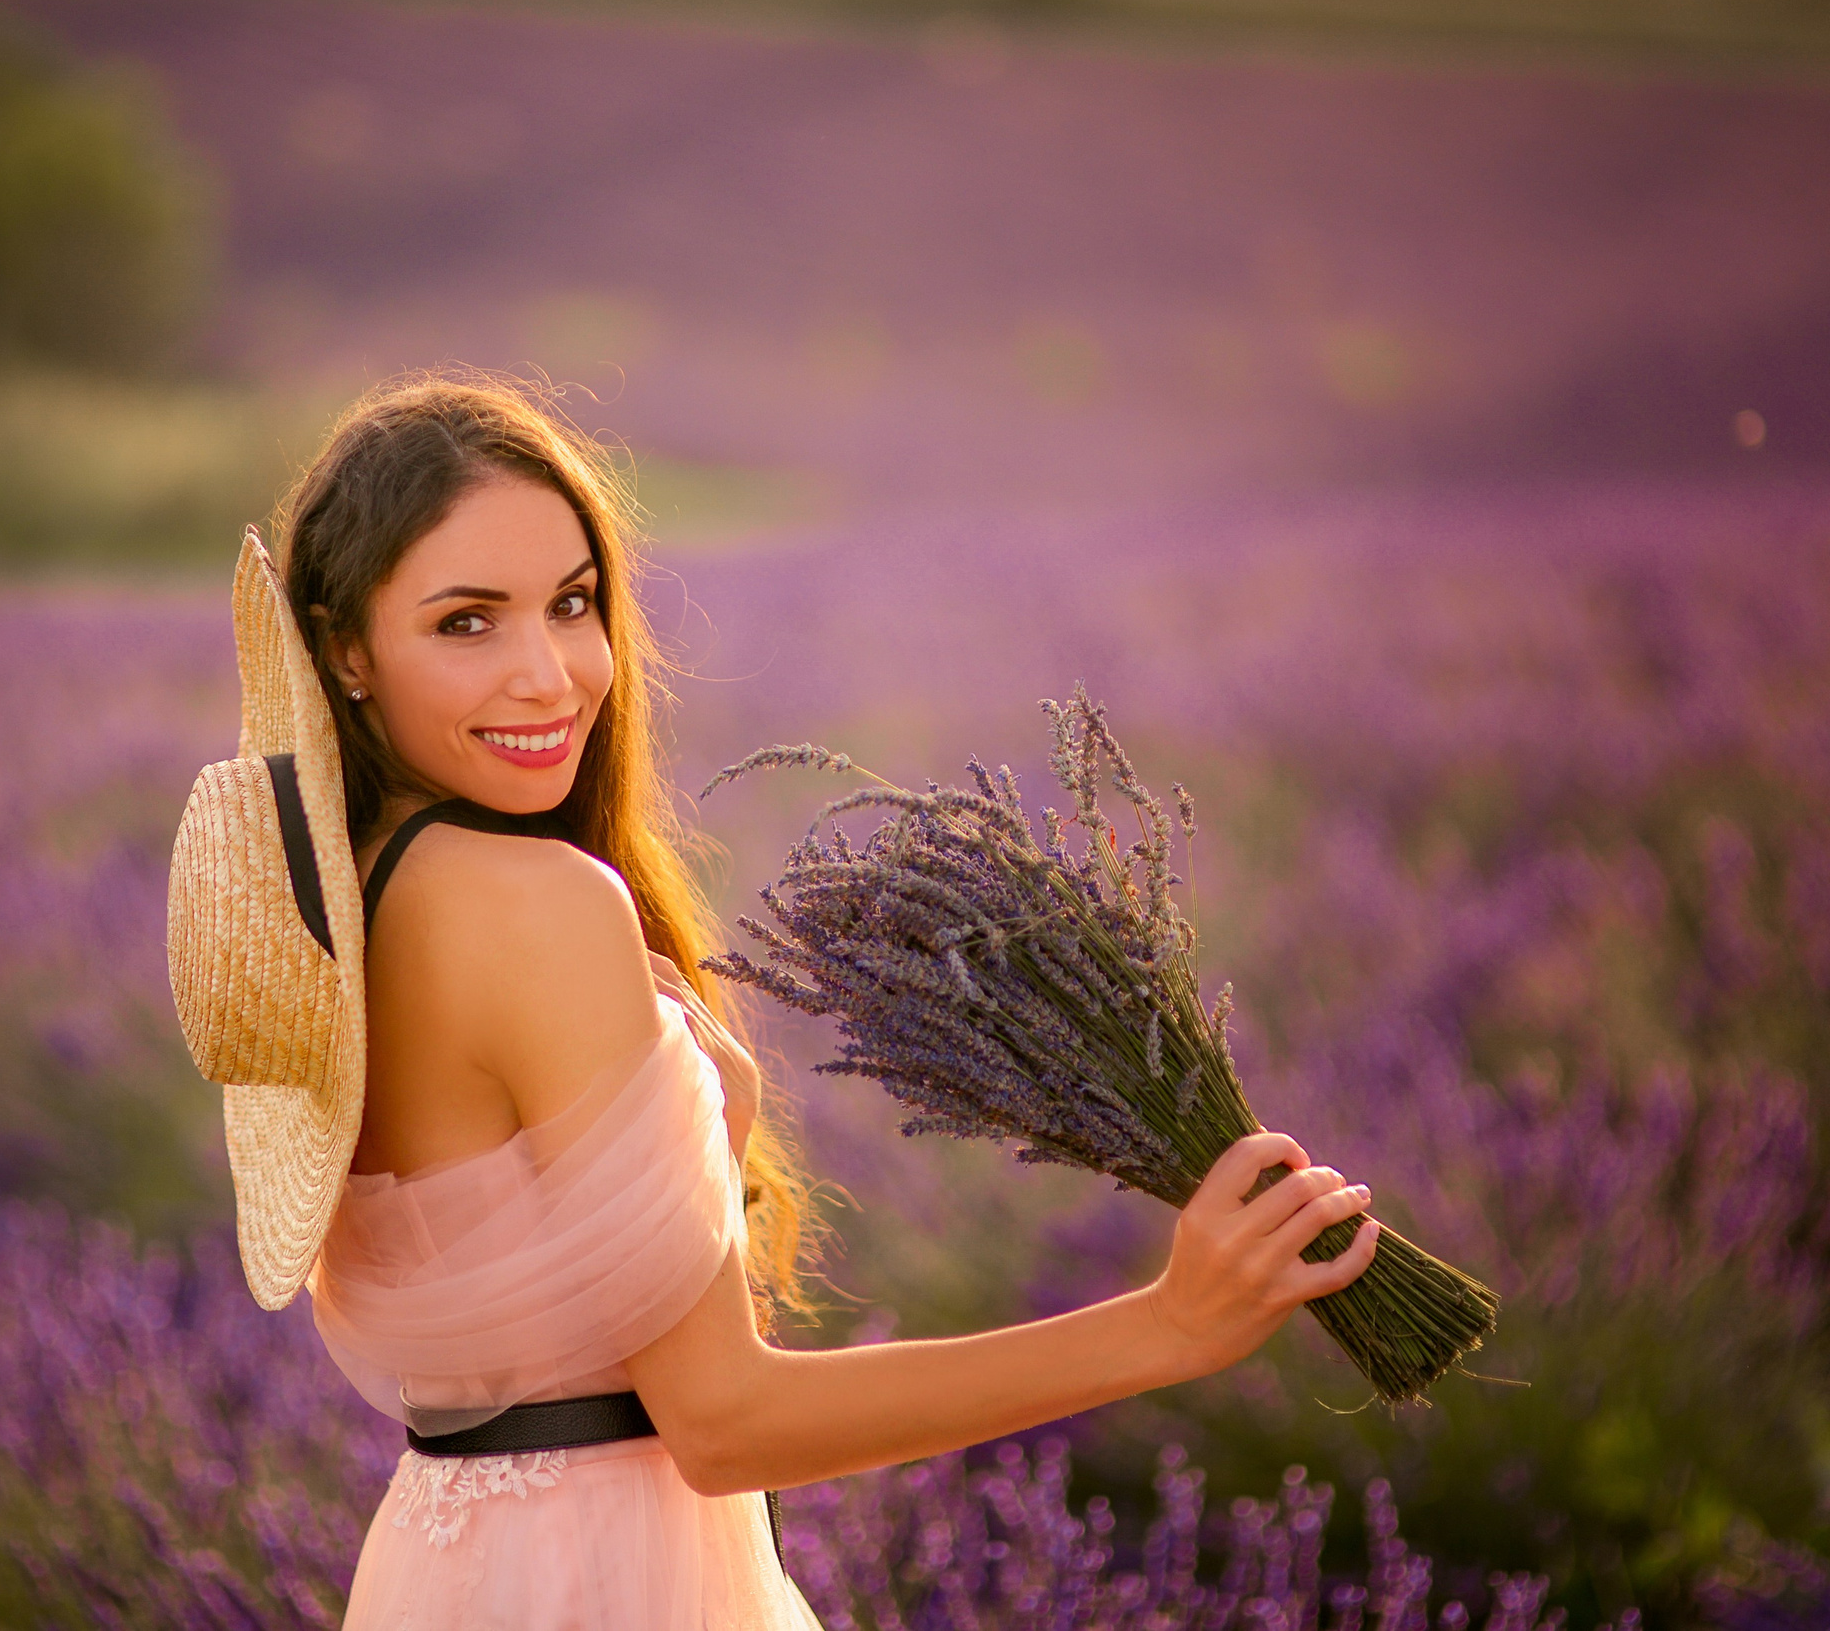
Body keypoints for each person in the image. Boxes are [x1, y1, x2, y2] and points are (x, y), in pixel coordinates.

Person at [163, 369, 1380, 1630]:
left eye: (572, 605)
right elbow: (725, 1422)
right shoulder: (541, 905)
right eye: (467, 622)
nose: (548, 674)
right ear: (347, 650)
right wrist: (1166, 1326)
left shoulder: (349, 913)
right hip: (607, 1580)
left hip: (445, 1567)